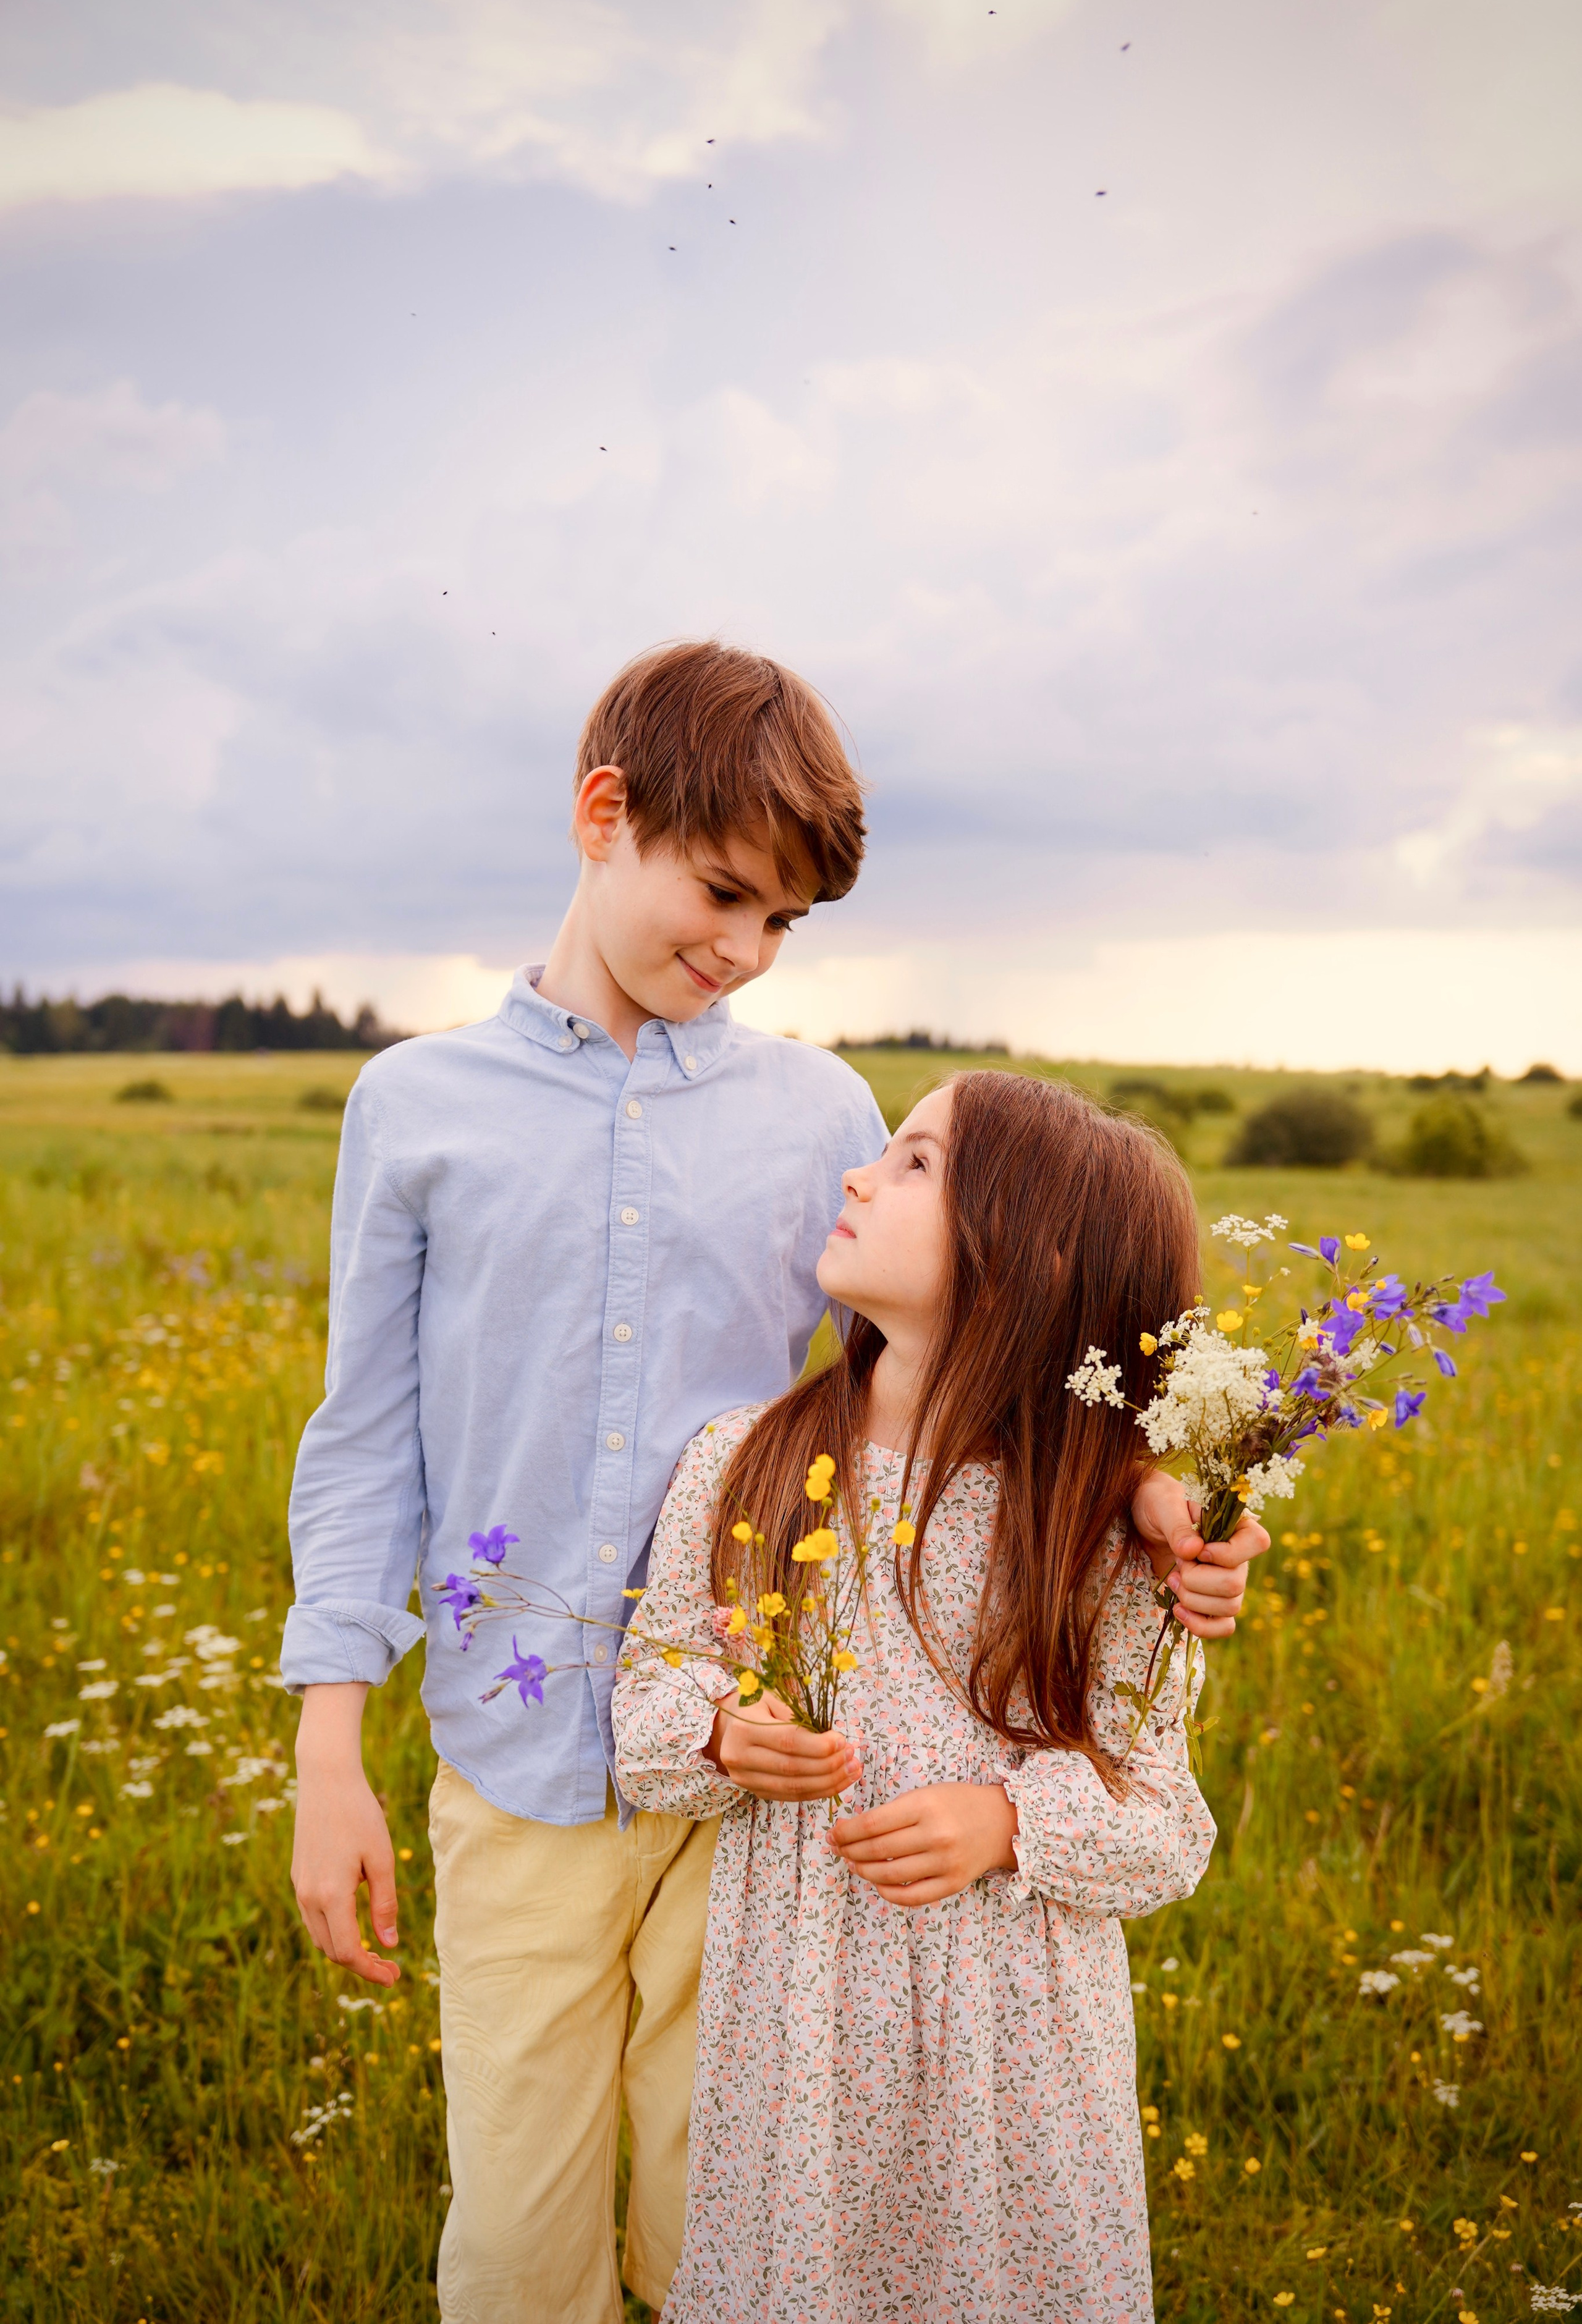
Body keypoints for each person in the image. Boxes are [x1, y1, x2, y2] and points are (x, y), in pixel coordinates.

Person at [284, 641, 1260, 2324]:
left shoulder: (824, 1113)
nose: (742, 950)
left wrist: (1147, 1488)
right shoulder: (415, 1106)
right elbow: (366, 1437)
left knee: (720, 2226)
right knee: (518, 2248)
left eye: (784, 923)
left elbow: (983, 1345)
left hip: (768, 1807)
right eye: (725, 892)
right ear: (607, 817)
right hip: (517, 1772)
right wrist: (328, 1746)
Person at [613, 1068, 1256, 2322]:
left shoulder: (1103, 1529)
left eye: (914, 1163)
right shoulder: (745, 1461)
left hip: (1010, 2054)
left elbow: (1163, 1820)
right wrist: (719, 1732)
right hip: (795, 2030)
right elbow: (648, 1703)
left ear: (1023, 1255)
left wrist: (1007, 1822)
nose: (857, 1174)